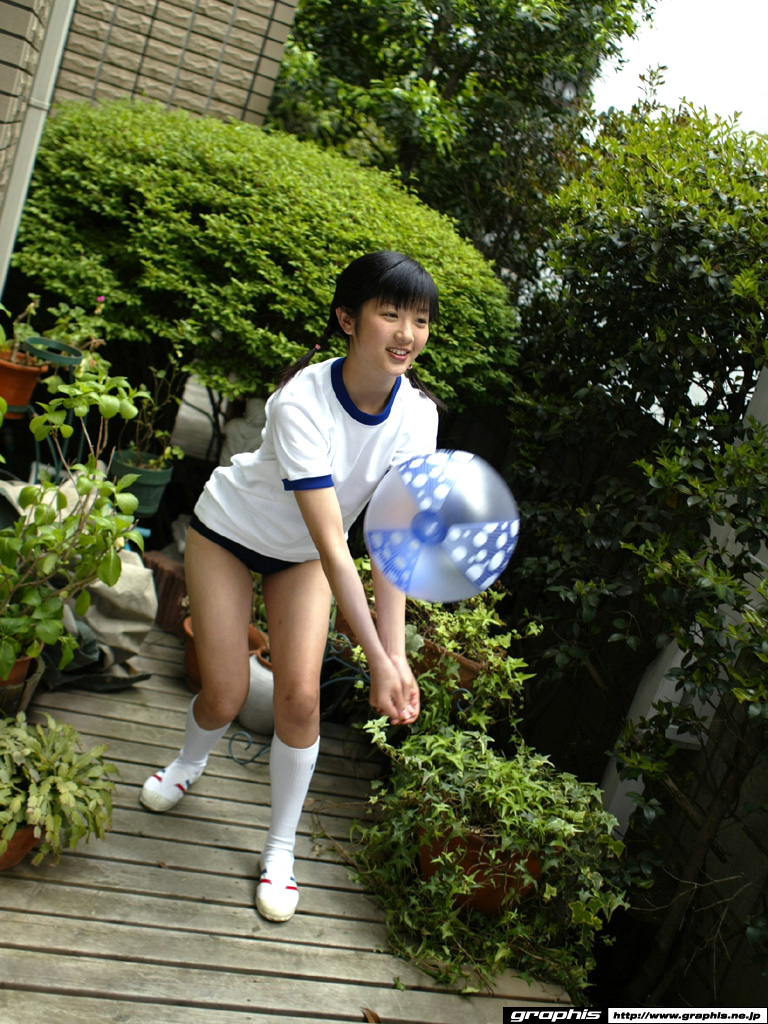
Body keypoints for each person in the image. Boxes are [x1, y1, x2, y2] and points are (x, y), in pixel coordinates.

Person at [140, 251, 442, 923]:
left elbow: (388, 543)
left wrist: (394, 658)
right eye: (391, 314)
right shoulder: (303, 398)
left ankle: (279, 850)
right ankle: (187, 764)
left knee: (301, 700)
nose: (406, 334)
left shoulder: (419, 417)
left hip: (301, 557)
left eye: (420, 320)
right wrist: (374, 658)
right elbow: (335, 541)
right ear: (347, 319)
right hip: (231, 532)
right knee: (224, 693)